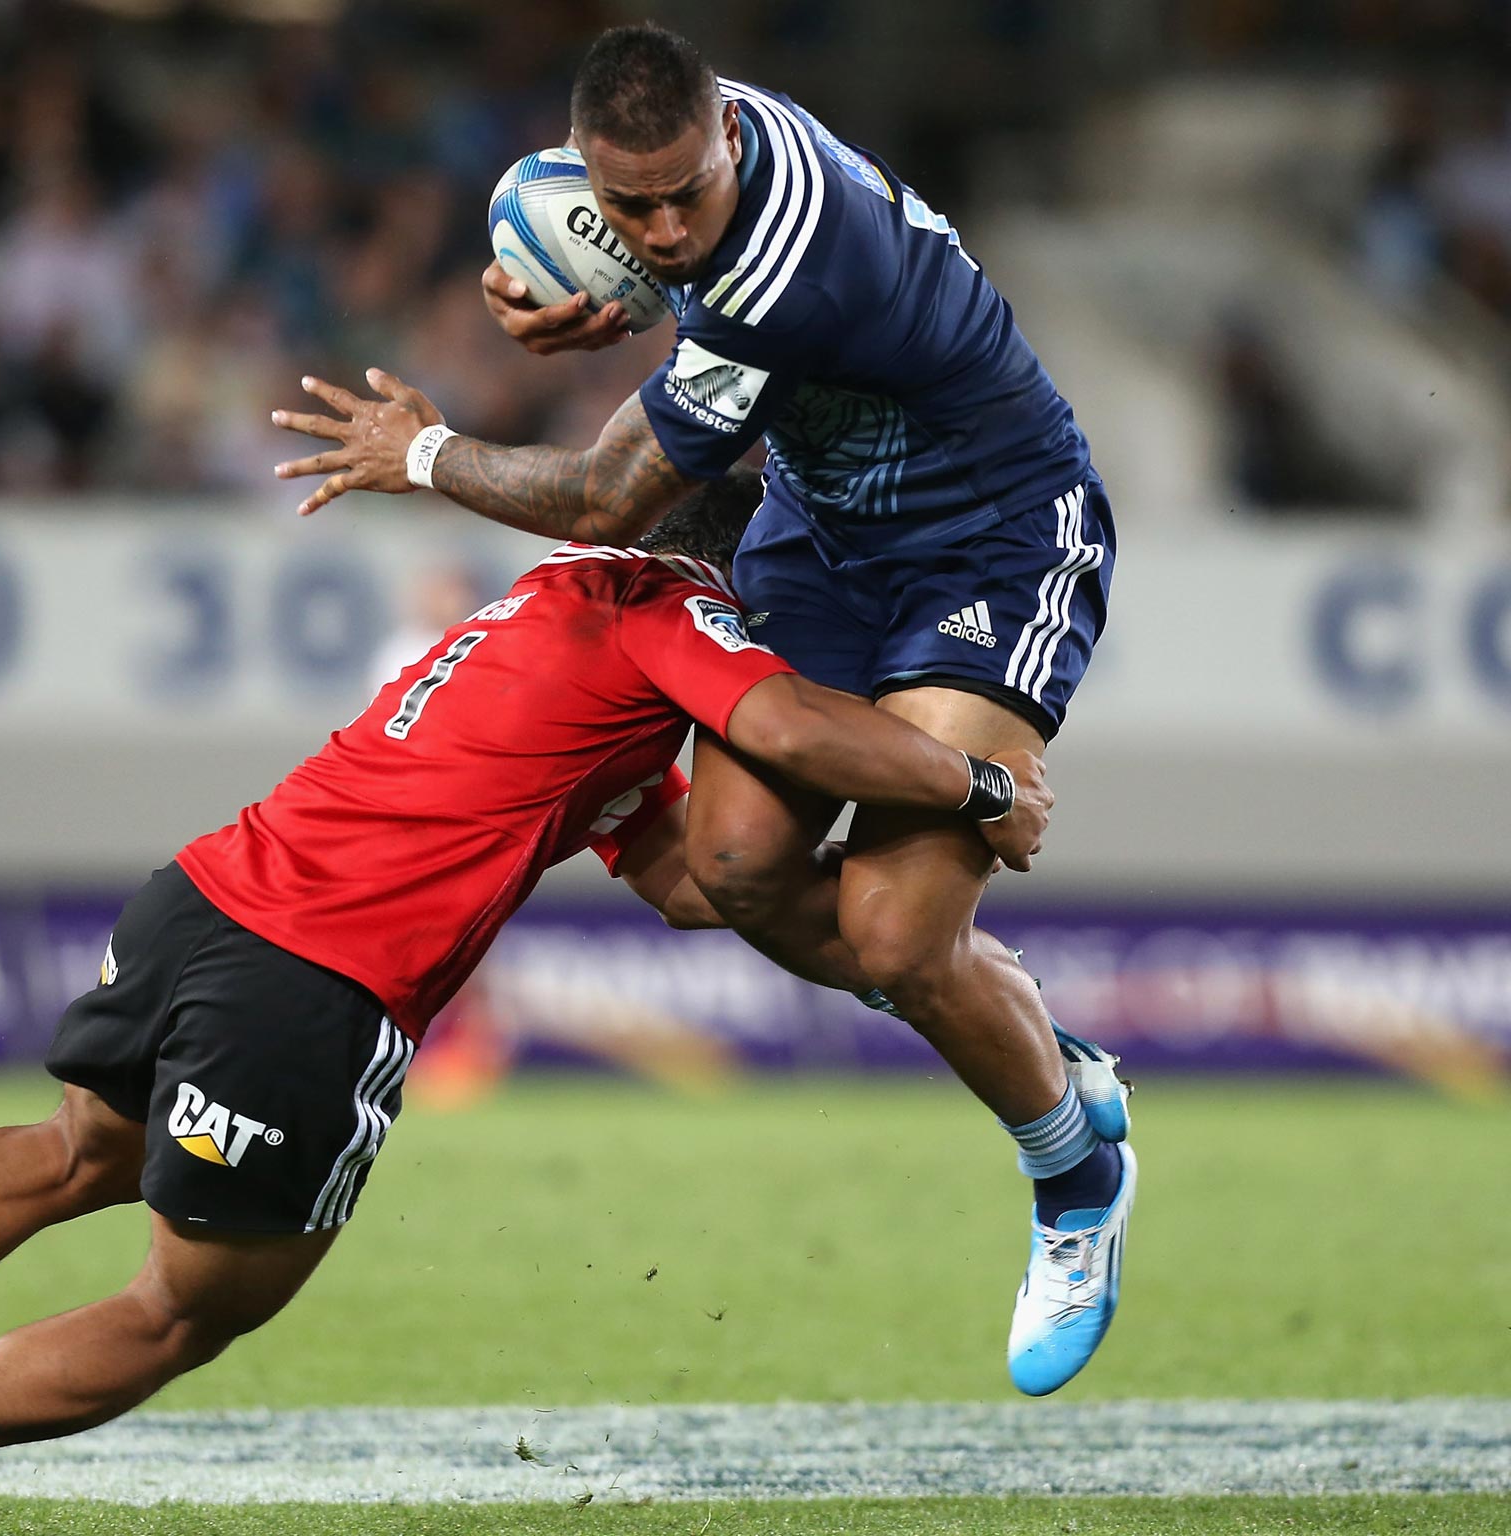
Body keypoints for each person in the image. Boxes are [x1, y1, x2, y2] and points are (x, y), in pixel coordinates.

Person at [0, 478, 1050, 1535]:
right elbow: (799, 728)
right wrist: (983, 791)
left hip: (202, 898)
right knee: (182, 1311)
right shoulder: (666, 610)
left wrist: (885, 937)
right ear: (744, 570)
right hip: (311, 986)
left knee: (67, 1153)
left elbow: (692, 884)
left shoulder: (550, 608)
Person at [269, 23, 1132, 1398]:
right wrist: (619, 301)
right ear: (592, 172)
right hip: (820, 529)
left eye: (685, 198)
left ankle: (1074, 1171)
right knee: (729, 868)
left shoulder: (787, 253)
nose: (665, 227)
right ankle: (1030, 1041)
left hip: (990, 537)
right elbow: (695, 301)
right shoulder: (695, 193)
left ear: (730, 132)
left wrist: (423, 451)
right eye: (631, 209)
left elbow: (610, 503)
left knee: (902, 936)